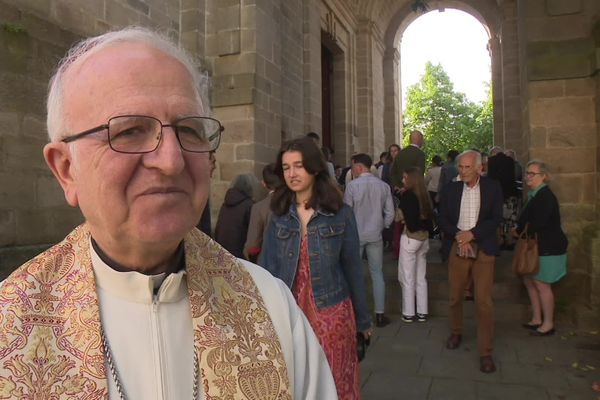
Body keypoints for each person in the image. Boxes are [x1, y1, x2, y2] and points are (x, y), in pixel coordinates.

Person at [0, 27, 337, 399]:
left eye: (190, 130)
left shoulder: (272, 305)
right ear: (66, 169)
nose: (172, 160)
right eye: (128, 131)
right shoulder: (9, 325)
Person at [262, 137, 372, 399]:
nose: (292, 173)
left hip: (332, 312)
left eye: (298, 165)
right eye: (287, 167)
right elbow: (266, 268)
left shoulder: (340, 213)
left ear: (314, 167)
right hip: (290, 310)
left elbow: (353, 268)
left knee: (334, 383)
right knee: (296, 383)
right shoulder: (278, 214)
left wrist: (363, 320)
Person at [439, 150, 503, 374]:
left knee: (483, 302)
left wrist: (472, 234)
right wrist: (460, 235)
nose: (463, 171)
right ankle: (456, 332)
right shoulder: (451, 189)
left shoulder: (493, 188)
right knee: (456, 295)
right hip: (458, 246)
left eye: (467, 167)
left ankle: (486, 352)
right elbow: (442, 218)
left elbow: (496, 219)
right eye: (461, 167)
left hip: (483, 248)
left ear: (479, 168)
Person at [513, 160, 568, 336]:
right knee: (530, 281)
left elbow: (538, 222)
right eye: (527, 173)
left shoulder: (545, 196)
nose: (528, 176)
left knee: (542, 284)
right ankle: (537, 319)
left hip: (548, 247)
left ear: (543, 176)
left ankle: (548, 324)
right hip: (536, 246)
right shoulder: (536, 194)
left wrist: (519, 230)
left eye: (532, 173)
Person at [343, 153, 395, 327]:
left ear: (358, 167)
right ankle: (379, 314)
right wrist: (382, 226)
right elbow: (390, 213)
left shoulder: (352, 186)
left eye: (352, 167)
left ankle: (354, 313)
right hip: (375, 234)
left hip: (355, 234)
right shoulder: (383, 186)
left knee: (353, 273)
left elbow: (346, 213)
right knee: (377, 273)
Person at [397, 167, 434, 323]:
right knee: (420, 277)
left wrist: (404, 219)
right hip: (424, 239)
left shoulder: (407, 196)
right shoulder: (425, 196)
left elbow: (409, 223)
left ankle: (409, 312)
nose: (403, 180)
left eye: (405, 177)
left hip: (411, 238)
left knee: (407, 277)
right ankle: (422, 311)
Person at [214, 173, 258, 258]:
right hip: (240, 255)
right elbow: (253, 236)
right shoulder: (250, 205)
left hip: (223, 253)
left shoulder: (225, 204)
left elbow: (218, 229)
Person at [244, 163, 281, 263]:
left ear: (264, 183)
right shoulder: (298, 203)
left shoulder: (259, 208)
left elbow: (252, 246)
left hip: (269, 264)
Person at [487, 146, 518, 250]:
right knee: (510, 220)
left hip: (497, 195)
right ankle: (510, 241)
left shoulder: (491, 161)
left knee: (498, 219)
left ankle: (500, 240)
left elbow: (491, 179)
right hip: (511, 194)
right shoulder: (510, 160)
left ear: (493, 154)